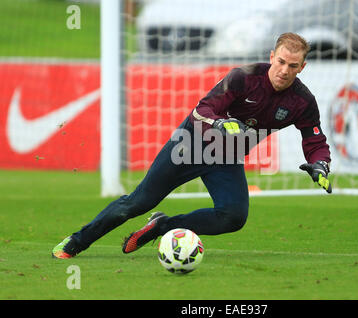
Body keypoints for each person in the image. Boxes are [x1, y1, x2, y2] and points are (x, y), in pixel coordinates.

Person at [52, 32, 332, 259]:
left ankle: (162, 227)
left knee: (233, 217)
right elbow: (203, 109)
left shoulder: (303, 101)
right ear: (272, 57)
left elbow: (314, 138)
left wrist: (321, 163)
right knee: (138, 202)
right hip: (190, 144)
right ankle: (77, 242)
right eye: (281, 61)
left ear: (302, 67)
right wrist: (220, 123)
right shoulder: (243, 77)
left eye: (293, 66)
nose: (284, 70)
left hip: (226, 158)